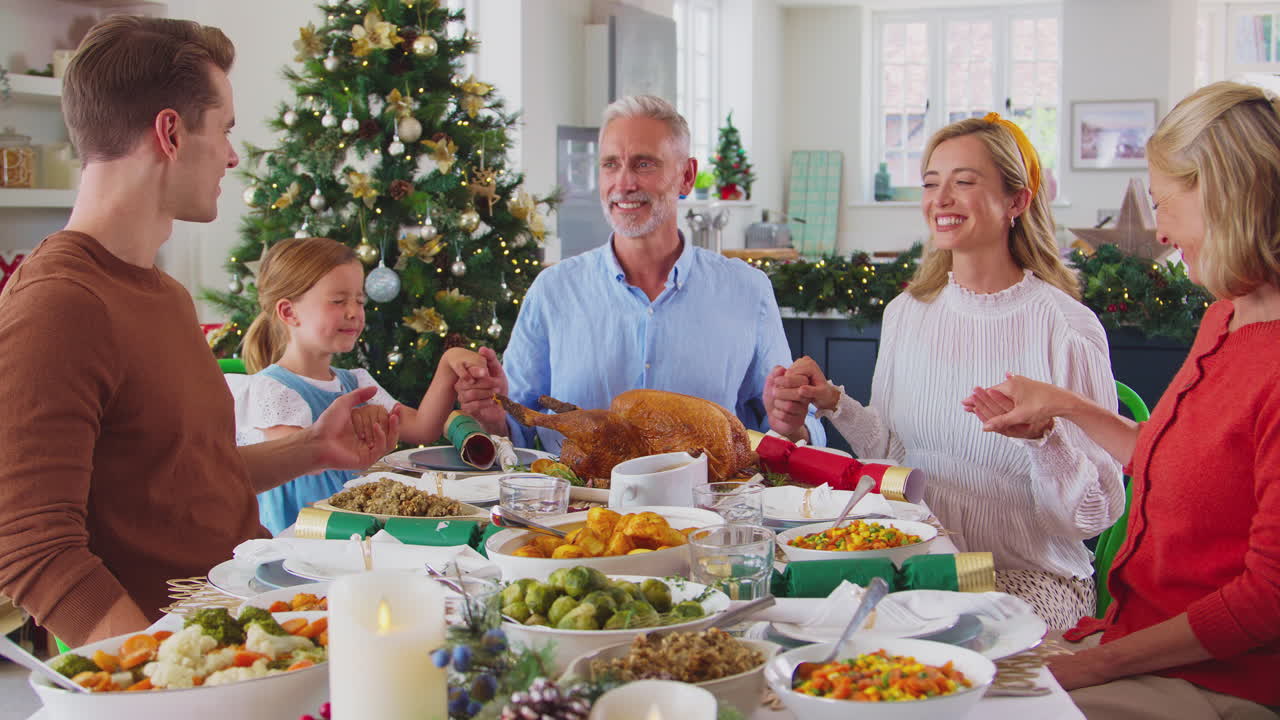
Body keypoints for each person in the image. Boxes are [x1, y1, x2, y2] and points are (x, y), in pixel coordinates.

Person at [0, 16, 397, 646]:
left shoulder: (164, 295)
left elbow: (181, 477)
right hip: (183, 669)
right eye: (226, 129)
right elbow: (31, 547)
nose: (233, 155)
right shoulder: (57, 304)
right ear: (170, 132)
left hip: (251, 620)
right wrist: (163, 682)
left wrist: (312, 449)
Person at [970, 81, 1280, 718]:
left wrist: (1091, 665)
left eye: (1166, 204)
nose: (1161, 231)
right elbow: (1173, 461)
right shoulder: (1225, 315)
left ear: (1226, 196)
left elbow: (1264, 600)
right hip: (1135, 638)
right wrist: (1065, 406)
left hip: (1225, 680)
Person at [771, 115, 1124, 628]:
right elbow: (891, 457)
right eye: (932, 183)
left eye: (964, 181)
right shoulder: (907, 312)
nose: (941, 198)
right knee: (820, 626)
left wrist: (1045, 442)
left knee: (943, 636)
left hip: (1031, 577)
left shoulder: (1066, 327)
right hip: (924, 569)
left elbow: (1088, 515)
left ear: (1017, 202)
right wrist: (833, 402)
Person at [454, 95, 823, 452]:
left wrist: (791, 422)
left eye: (644, 164)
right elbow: (515, 430)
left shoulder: (746, 290)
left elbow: (796, 427)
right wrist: (491, 416)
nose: (624, 183)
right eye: (611, 164)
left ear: (686, 176)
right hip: (576, 511)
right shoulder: (553, 291)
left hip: (707, 511)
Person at [238, 236, 487, 534]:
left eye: (359, 301)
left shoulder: (355, 381)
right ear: (289, 312)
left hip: (355, 533)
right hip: (305, 538)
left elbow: (422, 428)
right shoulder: (272, 388)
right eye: (338, 301)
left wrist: (448, 367)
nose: (354, 312)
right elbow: (303, 463)